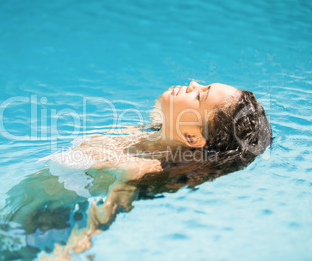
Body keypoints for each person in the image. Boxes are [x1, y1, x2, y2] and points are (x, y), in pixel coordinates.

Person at [40, 80, 273, 260]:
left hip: (44, 220)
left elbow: (102, 216)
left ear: (192, 137)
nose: (193, 84)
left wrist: (69, 250)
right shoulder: (157, 128)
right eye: (204, 84)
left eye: (200, 95)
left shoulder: (138, 168)